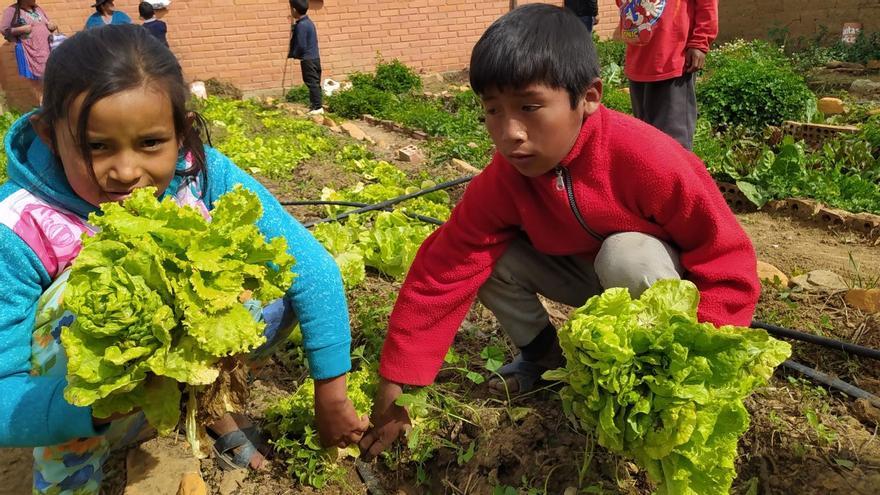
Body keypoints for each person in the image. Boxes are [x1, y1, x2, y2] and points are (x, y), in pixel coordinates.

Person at [358, 4, 759, 457]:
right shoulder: (503, 180)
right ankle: (544, 357)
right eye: (492, 110)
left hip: (652, 285)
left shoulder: (649, 158)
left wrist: (706, 356)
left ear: (588, 97)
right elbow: (443, 269)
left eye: (530, 107)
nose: (509, 132)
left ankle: (662, 371)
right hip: (584, 278)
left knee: (626, 255)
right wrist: (400, 381)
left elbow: (725, 255)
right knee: (484, 260)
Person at [0, 25, 368, 494]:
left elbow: (312, 269)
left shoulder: (200, 173)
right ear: (50, 136)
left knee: (269, 288)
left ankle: (206, 406)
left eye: (151, 143)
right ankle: (77, 461)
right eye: (97, 147)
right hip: (78, 399)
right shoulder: (17, 226)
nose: (127, 172)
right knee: (81, 296)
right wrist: (89, 408)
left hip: (167, 375)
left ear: (182, 132)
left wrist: (331, 392)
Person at [619, 0, 718, 149]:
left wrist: (700, 41)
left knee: (674, 144)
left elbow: (707, 4)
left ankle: (675, 173)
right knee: (646, 141)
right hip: (638, 62)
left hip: (672, 61)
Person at [0, 0, 57, 103]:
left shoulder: (37, 8)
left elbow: (46, 23)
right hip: (29, 52)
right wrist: (21, 29)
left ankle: (54, 105)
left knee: (51, 79)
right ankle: (44, 107)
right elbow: (4, 29)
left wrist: (51, 26)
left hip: (46, 49)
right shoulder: (12, 10)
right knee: (37, 83)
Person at [287, 0, 323, 115]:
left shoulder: (301, 25)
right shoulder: (308, 22)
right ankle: (317, 105)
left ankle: (317, 107)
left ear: (294, 10)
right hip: (315, 58)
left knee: (311, 82)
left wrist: (295, 54)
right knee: (315, 82)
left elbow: (301, 45)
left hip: (307, 59)